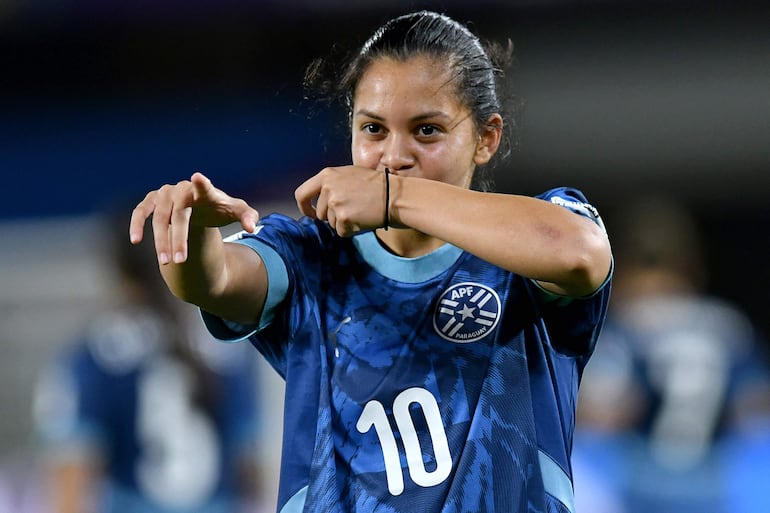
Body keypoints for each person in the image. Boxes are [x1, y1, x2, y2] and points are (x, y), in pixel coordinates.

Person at [129, 11, 613, 513]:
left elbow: (581, 253)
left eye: (427, 131)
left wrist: (393, 196)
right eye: (373, 129)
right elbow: (214, 280)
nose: (394, 155)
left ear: (486, 138)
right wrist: (194, 229)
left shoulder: (527, 245)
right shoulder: (309, 256)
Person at [33, 210, 264, 513]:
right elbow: (250, 469)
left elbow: (73, 475)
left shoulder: (95, 353)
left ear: (118, 269)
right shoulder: (226, 342)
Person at [573, 195, 770, 513]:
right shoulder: (726, 322)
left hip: (633, 484)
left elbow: (600, 417)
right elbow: (755, 410)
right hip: (716, 483)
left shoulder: (623, 322)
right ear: (693, 270)